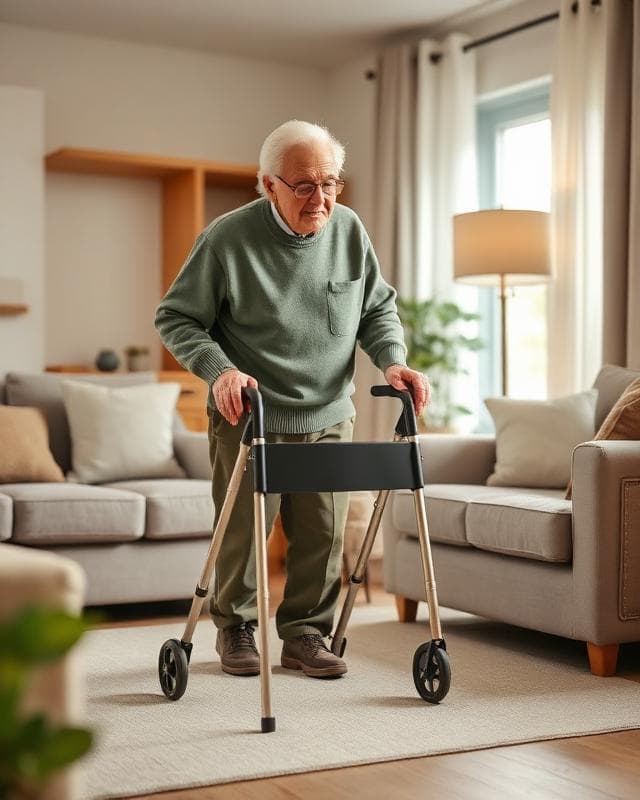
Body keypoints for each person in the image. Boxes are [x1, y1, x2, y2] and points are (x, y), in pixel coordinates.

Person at [155, 120, 430, 680]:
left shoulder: (349, 231)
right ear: (268, 184)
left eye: (330, 183)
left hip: (329, 411)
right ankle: (237, 627)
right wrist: (221, 372)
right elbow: (177, 317)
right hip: (249, 410)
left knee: (324, 532)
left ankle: (306, 634)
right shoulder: (227, 239)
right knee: (244, 530)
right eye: (304, 185)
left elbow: (376, 309)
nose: (320, 198)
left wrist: (393, 360)